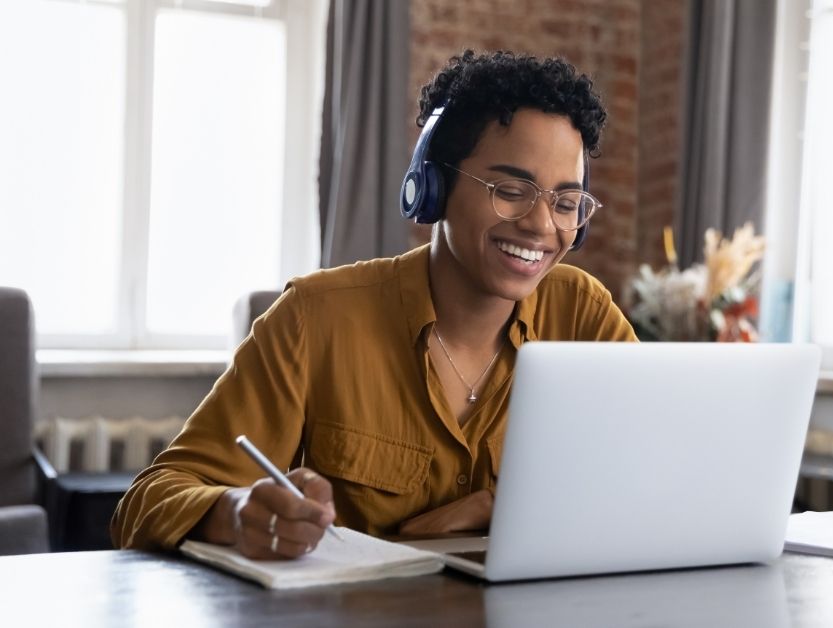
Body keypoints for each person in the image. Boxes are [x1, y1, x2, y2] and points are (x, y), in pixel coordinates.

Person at [111, 50, 637, 558]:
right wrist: (240, 509)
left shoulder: (583, 315)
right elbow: (148, 500)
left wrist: (504, 508)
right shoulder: (314, 318)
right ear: (432, 185)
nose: (543, 226)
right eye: (510, 189)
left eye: (567, 203)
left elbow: (655, 474)